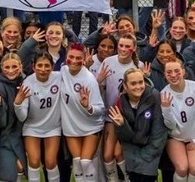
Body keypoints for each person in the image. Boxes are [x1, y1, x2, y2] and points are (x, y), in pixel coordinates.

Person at [98, 33, 145, 182]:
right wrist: (98, 81)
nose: (123, 49)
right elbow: (101, 90)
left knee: (119, 153)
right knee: (107, 155)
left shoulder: (138, 66)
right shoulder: (108, 62)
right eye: (121, 45)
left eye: (127, 46)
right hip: (111, 115)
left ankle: (127, 178)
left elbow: (142, 94)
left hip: (129, 117)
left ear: (134, 48)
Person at [110, 68, 168, 182]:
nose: (138, 87)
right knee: (134, 177)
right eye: (133, 83)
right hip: (132, 149)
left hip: (151, 148)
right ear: (125, 86)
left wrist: (147, 154)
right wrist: (122, 125)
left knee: (146, 176)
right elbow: (125, 138)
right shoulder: (121, 103)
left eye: (141, 82)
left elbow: (159, 131)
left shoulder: (154, 96)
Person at [14, 52, 65, 182]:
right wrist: (18, 104)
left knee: (50, 161)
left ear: (52, 67)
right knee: (34, 160)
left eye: (47, 66)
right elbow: (22, 117)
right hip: (32, 127)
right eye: (40, 65)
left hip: (53, 127)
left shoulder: (59, 77)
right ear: (33, 67)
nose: (43, 69)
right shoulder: (28, 82)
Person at [60, 44, 106, 182]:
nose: (74, 61)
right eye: (71, 57)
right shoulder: (63, 71)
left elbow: (100, 109)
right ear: (66, 57)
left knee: (86, 162)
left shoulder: (89, 79)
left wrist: (88, 107)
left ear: (84, 59)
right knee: (78, 162)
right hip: (71, 127)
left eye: (78, 58)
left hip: (91, 126)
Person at [160, 58, 195, 182]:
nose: (173, 75)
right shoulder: (163, 94)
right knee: (182, 169)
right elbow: (170, 126)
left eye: (177, 71)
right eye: (169, 72)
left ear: (183, 71)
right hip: (175, 137)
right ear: (164, 75)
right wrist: (166, 109)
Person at [0, 53, 29, 182]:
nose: (11, 71)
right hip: (4, 138)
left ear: (20, 66)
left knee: (21, 168)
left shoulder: (26, 82)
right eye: (7, 67)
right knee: (7, 174)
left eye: (14, 67)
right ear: (1, 68)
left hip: (24, 135)